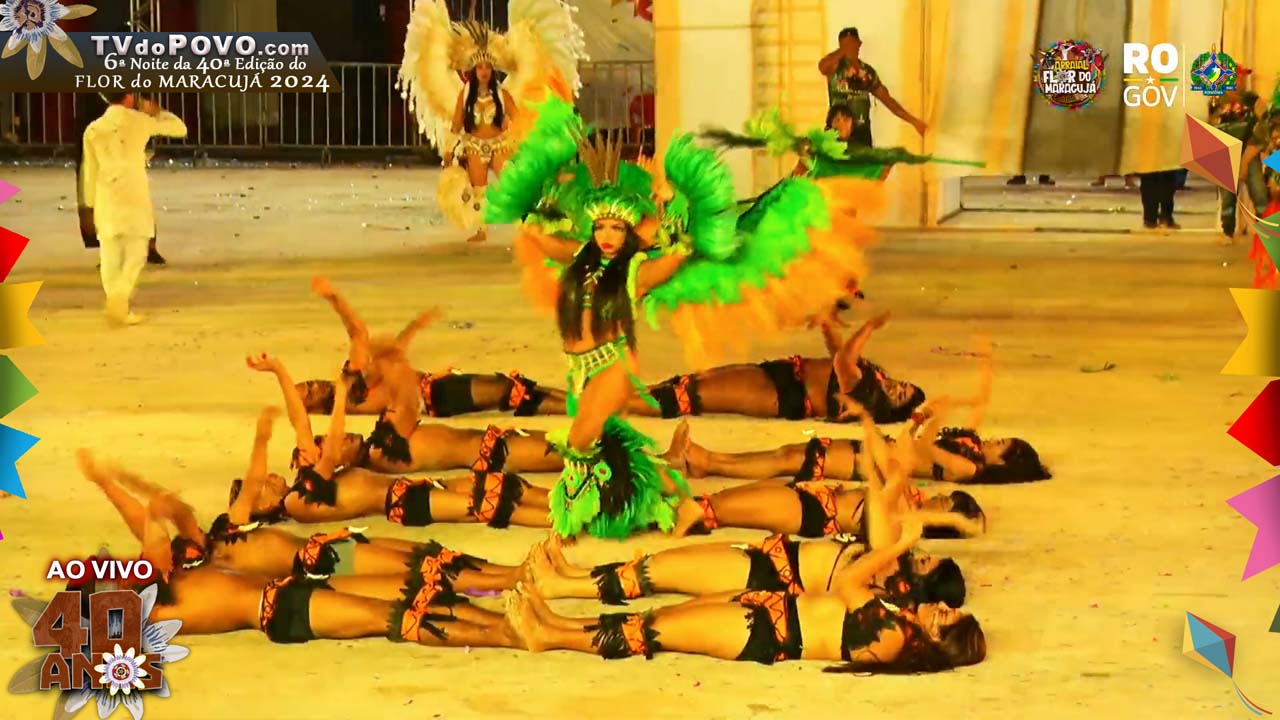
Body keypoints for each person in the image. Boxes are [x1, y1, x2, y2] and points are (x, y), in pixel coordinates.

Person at [486, 93, 875, 538]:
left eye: (617, 228)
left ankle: (583, 520)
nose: (608, 236)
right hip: (579, 373)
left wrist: (670, 202)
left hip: (610, 369)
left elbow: (681, 251)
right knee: (609, 452)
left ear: (629, 233)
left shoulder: (636, 271)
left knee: (579, 448)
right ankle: (671, 479)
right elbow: (537, 234)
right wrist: (539, 189)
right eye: (602, 227)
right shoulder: (579, 256)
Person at [73, 449, 524, 650]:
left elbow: (157, 519)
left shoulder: (183, 565)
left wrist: (111, 481)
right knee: (399, 604)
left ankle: (507, 606)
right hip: (292, 596)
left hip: (301, 579)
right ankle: (504, 623)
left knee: (414, 581)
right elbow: (151, 526)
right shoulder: (154, 602)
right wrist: (113, 484)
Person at [503, 514, 986, 672]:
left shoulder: (897, 636)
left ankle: (552, 635)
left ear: (938, 641)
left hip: (764, 631)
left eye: (946, 618)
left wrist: (900, 544)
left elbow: (847, 585)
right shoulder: (902, 620)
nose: (942, 609)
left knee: (653, 629)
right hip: (768, 607)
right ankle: (558, 620)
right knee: (659, 614)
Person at [398, 0, 587, 243]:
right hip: (474, 147)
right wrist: (449, 152)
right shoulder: (465, 94)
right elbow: (456, 123)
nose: (484, 71)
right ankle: (481, 229)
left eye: (488, 67)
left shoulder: (502, 94)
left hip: (499, 146)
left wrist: (525, 142)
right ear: (474, 71)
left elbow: (517, 118)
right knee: (479, 192)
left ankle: (528, 226)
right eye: (480, 68)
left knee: (514, 185)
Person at [529, 311, 925, 424]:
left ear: (890, 406)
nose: (898, 387)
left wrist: (870, 327)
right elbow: (838, 353)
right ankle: (574, 399)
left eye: (901, 396)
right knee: (684, 384)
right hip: (782, 373)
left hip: (780, 394)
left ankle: (559, 403)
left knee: (683, 398)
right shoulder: (871, 377)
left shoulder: (864, 395)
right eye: (905, 385)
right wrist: (825, 323)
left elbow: (842, 361)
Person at [296, 276, 549, 416]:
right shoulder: (349, 389)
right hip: (437, 394)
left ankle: (570, 402)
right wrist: (333, 298)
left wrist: (414, 327)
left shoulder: (349, 394)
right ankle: (570, 403)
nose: (315, 385)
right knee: (513, 391)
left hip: (436, 392)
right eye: (310, 392)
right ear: (312, 407)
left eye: (309, 383)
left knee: (514, 393)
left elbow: (387, 354)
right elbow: (359, 334)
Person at [81, 93, 187, 326]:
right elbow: (179, 129)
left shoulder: (93, 129)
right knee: (137, 251)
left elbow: (89, 171)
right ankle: (120, 299)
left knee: (109, 252)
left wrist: (89, 204)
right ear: (129, 97)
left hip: (105, 194)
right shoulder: (140, 122)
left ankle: (115, 301)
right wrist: (157, 111)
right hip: (133, 191)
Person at [817, 27, 926, 147]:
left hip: (861, 132)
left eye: (852, 43)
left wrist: (914, 121)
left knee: (865, 159)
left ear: (859, 44)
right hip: (838, 131)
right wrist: (842, 50)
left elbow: (888, 101)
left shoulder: (867, 72)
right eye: (845, 45)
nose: (849, 48)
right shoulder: (835, 68)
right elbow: (823, 67)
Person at [1210, 78, 1265, 239]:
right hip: (1225, 152)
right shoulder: (1216, 101)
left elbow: (1263, 127)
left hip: (1249, 149)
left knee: (1259, 192)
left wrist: (1245, 161)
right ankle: (1227, 231)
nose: (1235, 83)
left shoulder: (1253, 99)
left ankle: (1266, 231)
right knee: (1227, 197)